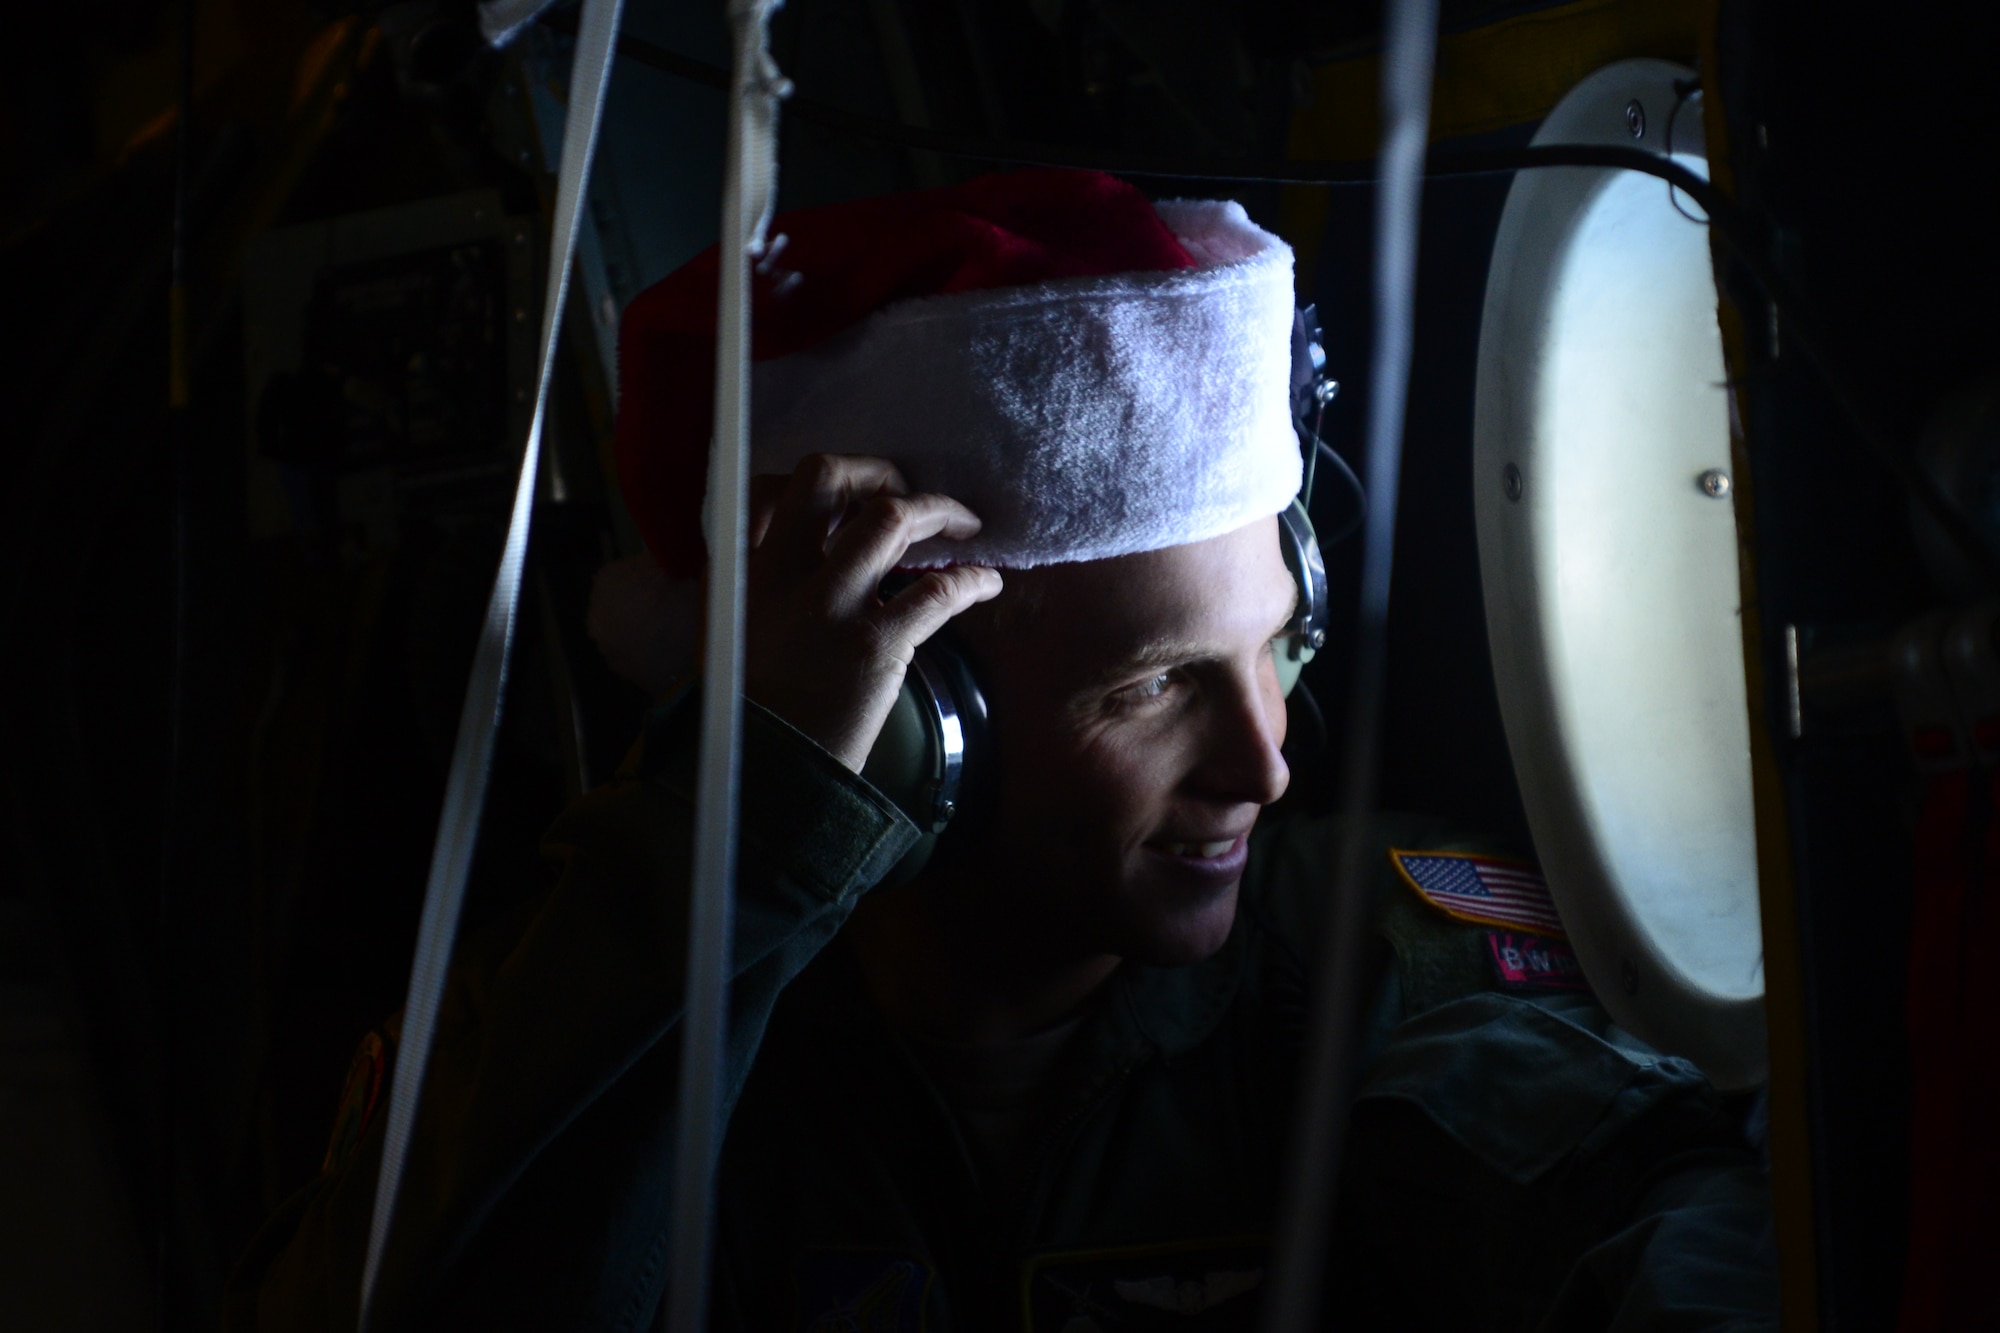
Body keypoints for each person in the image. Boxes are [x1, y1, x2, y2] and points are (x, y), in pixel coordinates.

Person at [224, 170, 1778, 1332]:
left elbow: (1646, 1191)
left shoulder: (1375, 947)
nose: (1267, 762)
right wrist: (737, 840)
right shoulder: (596, 1004)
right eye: (1156, 685)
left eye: (1280, 646)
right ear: (914, 727)